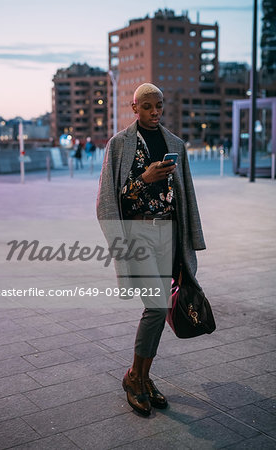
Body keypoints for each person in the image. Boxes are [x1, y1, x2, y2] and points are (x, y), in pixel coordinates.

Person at [96, 83, 205, 416]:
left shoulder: (175, 144)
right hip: (137, 235)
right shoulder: (119, 144)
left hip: (167, 235)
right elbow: (107, 200)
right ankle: (134, 376)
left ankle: (142, 378)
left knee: (157, 309)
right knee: (157, 309)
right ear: (134, 108)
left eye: (159, 106)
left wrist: (189, 239)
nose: (154, 112)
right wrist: (144, 178)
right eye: (147, 107)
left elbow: (185, 194)